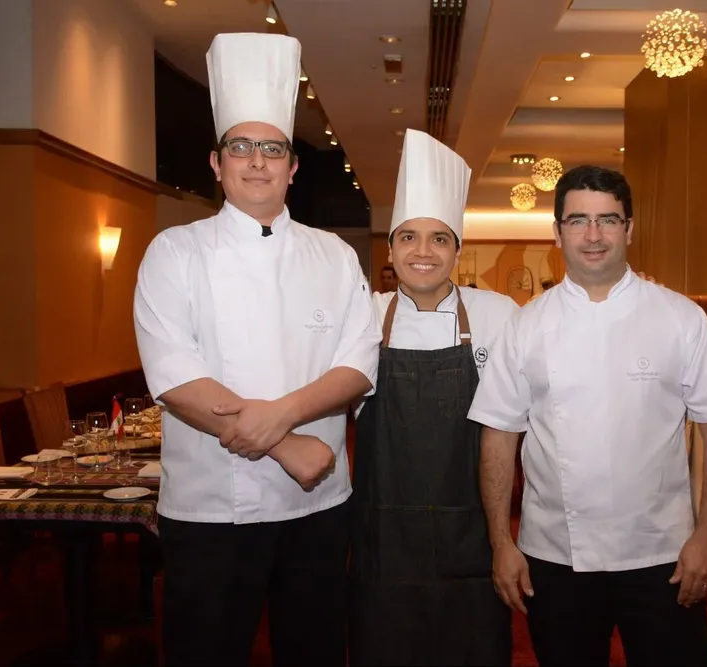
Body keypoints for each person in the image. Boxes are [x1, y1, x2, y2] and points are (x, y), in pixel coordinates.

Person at [133, 33, 380, 667]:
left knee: (317, 650)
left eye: (272, 148)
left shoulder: (334, 253)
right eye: (240, 146)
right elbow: (176, 376)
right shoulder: (175, 252)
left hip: (318, 504)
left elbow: (358, 364)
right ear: (217, 164)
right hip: (211, 507)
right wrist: (285, 443)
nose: (257, 161)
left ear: (293, 165)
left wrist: (281, 418)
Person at [468, 166, 707, 667]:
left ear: (630, 228)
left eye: (608, 220)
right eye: (577, 220)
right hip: (555, 557)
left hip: (665, 554)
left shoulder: (680, 317)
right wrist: (501, 543)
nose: (593, 235)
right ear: (556, 232)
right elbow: (498, 438)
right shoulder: (525, 325)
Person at [348, 129, 517, 666]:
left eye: (439, 238)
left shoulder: (499, 315)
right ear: (391, 247)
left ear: (458, 250)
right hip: (384, 538)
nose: (424, 252)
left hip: (474, 531)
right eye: (409, 238)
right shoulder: (365, 317)